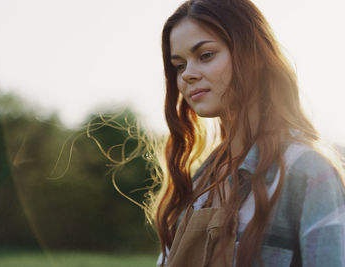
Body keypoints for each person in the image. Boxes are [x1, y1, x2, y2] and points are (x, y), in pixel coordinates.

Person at [147, 0, 345, 266]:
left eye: (205, 55)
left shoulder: (306, 171)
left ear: (253, 54)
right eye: (179, 65)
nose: (188, 75)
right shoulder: (200, 182)